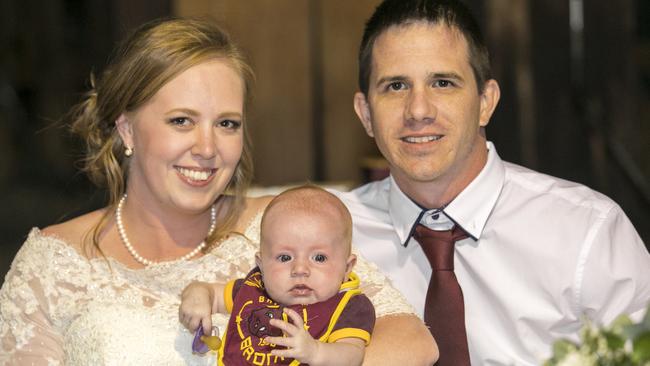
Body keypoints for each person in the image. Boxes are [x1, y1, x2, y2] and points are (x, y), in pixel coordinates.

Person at [0, 18, 437, 365]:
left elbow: (414, 343)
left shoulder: (280, 226)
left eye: (226, 124)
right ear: (127, 128)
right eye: (182, 121)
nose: (208, 149)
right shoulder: (51, 265)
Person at [336, 0, 650, 364]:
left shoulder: (585, 232)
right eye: (395, 86)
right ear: (366, 114)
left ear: (486, 101)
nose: (418, 110)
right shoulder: (330, 236)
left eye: (442, 82)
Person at [180, 185, 374, 366]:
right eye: (284, 257)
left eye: (319, 257)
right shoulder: (255, 288)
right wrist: (197, 295)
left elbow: (352, 354)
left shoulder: (348, 307)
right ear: (261, 264)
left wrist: (316, 352)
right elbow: (211, 294)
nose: (300, 269)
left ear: (347, 267)